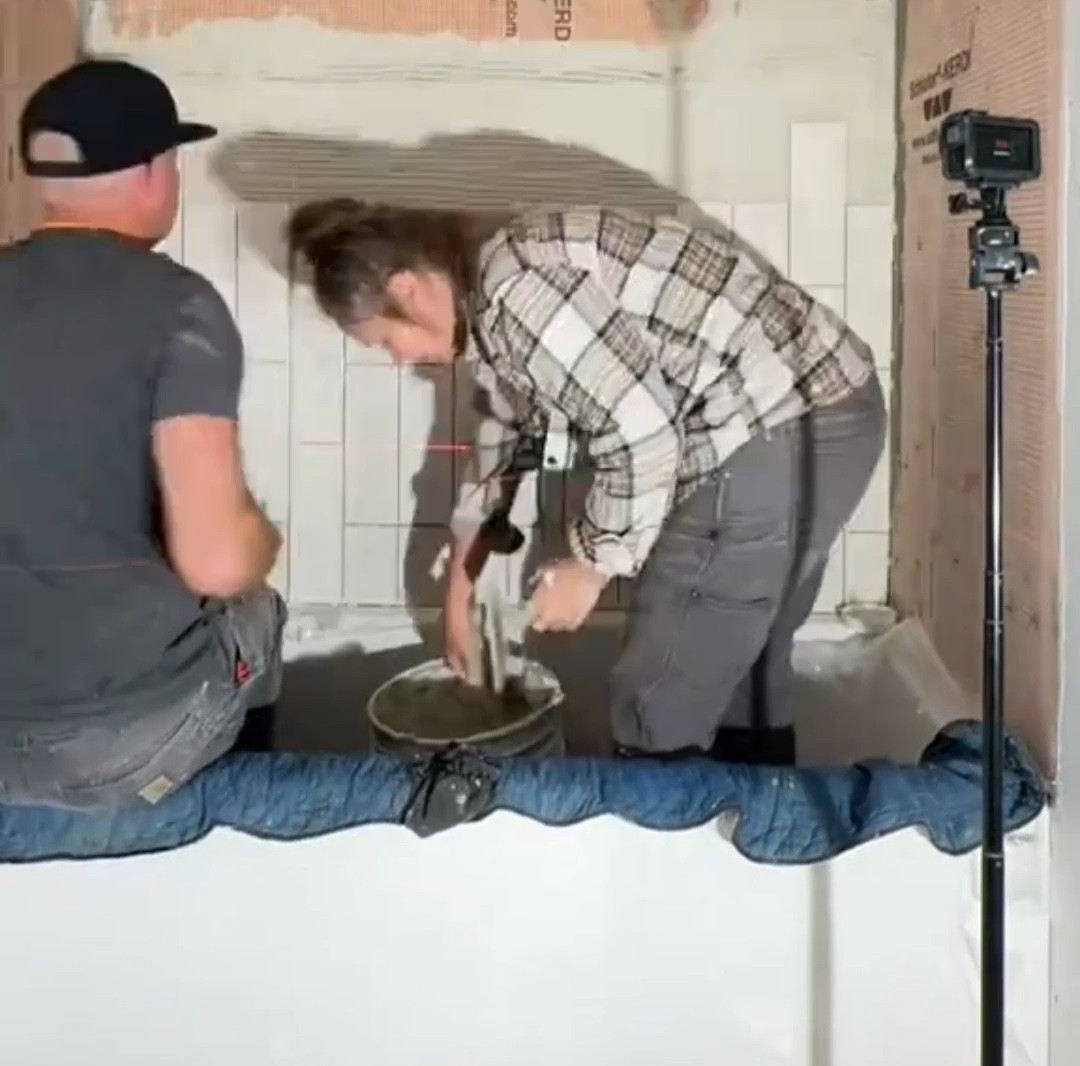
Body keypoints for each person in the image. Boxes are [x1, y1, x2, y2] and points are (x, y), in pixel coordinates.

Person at [287, 199, 887, 764]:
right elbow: (501, 438)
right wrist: (457, 598)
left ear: (406, 288)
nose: (398, 360)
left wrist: (591, 565)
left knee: (660, 692)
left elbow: (642, 432)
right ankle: (755, 822)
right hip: (827, 409)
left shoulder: (518, 292)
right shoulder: (494, 303)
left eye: (385, 341)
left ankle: (664, 828)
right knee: (741, 661)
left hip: (778, 424)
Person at [0, 56, 285, 808]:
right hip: (116, 749)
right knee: (256, 610)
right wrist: (262, 538)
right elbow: (217, 564)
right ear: (154, 171)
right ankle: (225, 825)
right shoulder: (178, 308)